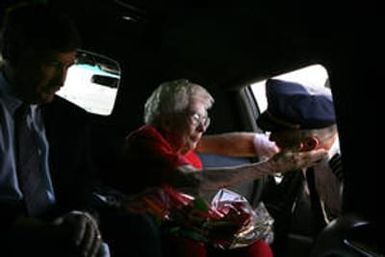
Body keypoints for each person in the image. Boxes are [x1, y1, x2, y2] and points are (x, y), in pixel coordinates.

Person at [0, 3, 161, 257]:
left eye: (68, 67)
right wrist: (32, 230)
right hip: (9, 226)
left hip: (62, 218)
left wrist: (81, 215)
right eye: (52, 64)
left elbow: (82, 182)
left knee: (139, 228)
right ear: (11, 51)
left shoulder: (71, 118)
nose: (61, 81)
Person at [113, 78, 327, 257]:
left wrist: (221, 220)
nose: (203, 127)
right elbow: (192, 181)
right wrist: (268, 167)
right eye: (196, 117)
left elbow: (229, 145)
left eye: (206, 119)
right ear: (168, 121)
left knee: (254, 245)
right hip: (154, 231)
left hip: (185, 228)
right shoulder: (146, 139)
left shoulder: (185, 149)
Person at [256, 78, 343, 257]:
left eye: (278, 134)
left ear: (310, 144)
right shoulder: (307, 153)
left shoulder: (341, 175)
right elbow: (252, 142)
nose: (271, 139)